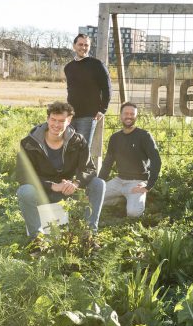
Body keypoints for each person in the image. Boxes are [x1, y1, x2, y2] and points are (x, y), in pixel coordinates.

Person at [16, 101, 106, 240]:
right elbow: (23, 175)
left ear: (69, 121)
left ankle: (89, 235)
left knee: (98, 184)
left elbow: (89, 168)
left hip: (68, 192)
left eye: (62, 121)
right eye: (53, 120)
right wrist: (52, 185)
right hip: (43, 191)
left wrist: (75, 183)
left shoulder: (78, 140)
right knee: (25, 190)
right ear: (48, 119)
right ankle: (36, 239)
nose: (56, 125)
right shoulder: (29, 143)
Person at [99, 102, 161, 217]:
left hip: (136, 183)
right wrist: (98, 184)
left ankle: (131, 201)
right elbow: (107, 163)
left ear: (136, 117)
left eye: (132, 114)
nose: (129, 116)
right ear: (120, 116)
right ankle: (121, 200)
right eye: (126, 113)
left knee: (133, 213)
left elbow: (156, 160)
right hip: (118, 180)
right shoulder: (115, 138)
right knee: (92, 198)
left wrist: (148, 185)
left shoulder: (145, 136)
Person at [64, 33, 112, 148]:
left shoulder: (97, 65)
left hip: (89, 116)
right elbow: (70, 90)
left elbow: (107, 89)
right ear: (74, 46)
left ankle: (83, 167)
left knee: (82, 150)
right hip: (71, 115)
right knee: (69, 149)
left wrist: (102, 110)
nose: (83, 47)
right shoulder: (68, 67)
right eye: (80, 44)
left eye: (86, 45)